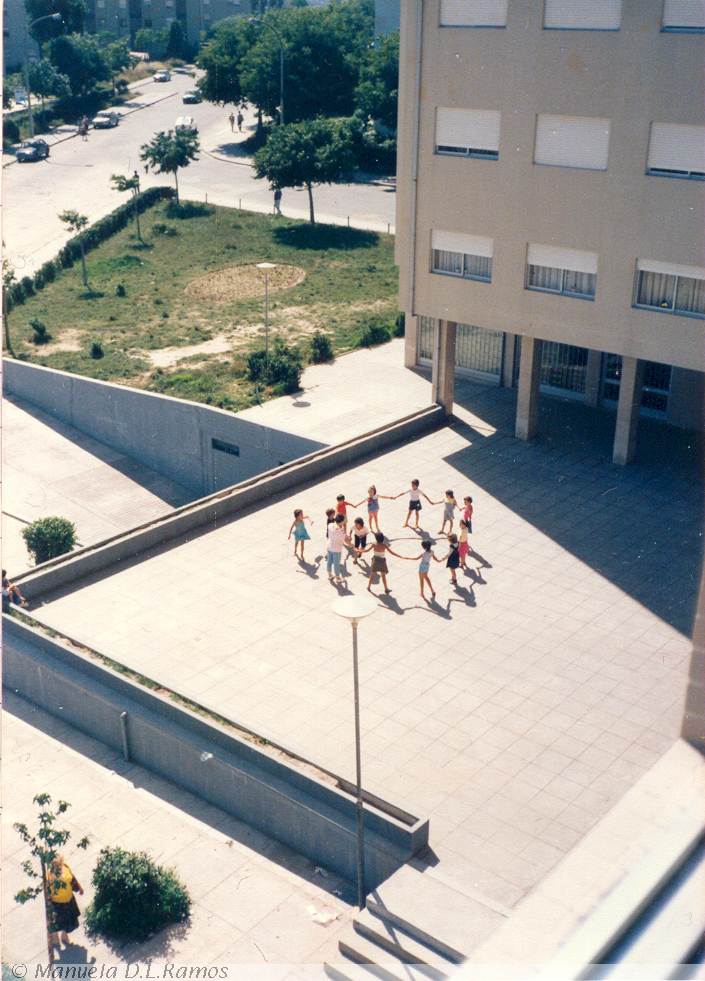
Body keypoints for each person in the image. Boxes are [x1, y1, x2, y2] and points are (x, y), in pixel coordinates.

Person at [46, 854, 84, 948]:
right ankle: (55, 937)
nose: (58, 867)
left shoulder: (65, 867)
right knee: (57, 921)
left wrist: (79, 888)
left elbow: (73, 879)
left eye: (59, 864)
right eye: (56, 865)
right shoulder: (49, 876)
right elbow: (47, 890)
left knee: (68, 920)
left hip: (69, 899)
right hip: (57, 903)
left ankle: (63, 935)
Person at [326, 513, 347, 584]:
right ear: (341, 521)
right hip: (337, 549)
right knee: (336, 564)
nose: (344, 521)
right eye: (344, 520)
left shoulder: (330, 525)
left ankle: (329, 575)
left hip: (329, 546)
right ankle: (338, 578)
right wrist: (351, 545)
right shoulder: (342, 531)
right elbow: (345, 540)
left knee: (329, 561)